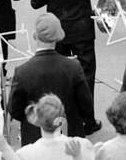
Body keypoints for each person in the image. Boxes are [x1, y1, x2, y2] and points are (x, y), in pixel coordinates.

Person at [7, 13, 94, 144]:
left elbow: (15, 110)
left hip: (35, 138)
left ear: (36, 36)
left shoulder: (22, 71)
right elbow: (86, 105)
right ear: (58, 37)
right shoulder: (74, 67)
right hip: (69, 136)